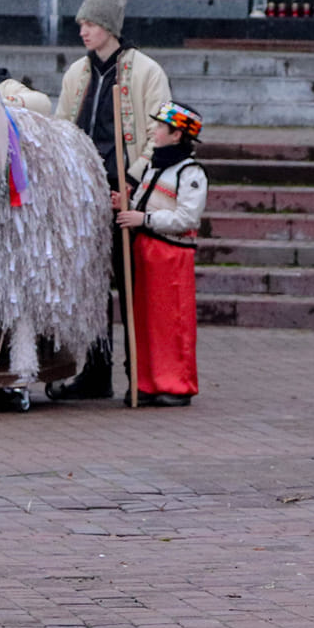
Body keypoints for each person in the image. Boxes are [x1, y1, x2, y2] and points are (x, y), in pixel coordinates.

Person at [51, 0, 172, 402]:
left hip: (127, 195)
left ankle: (138, 372)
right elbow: (61, 129)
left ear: (109, 26)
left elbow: (161, 134)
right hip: (86, 193)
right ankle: (96, 371)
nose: (83, 30)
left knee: (131, 285)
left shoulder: (146, 72)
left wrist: (133, 182)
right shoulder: (77, 74)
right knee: (92, 286)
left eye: (90, 23)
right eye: (82, 23)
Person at [115, 102, 208, 407]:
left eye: (159, 127)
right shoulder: (156, 166)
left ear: (177, 134)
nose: (154, 132)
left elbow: (187, 218)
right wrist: (125, 205)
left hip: (171, 255)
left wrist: (145, 220)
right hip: (146, 251)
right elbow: (144, 202)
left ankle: (176, 384)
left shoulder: (191, 173)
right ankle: (148, 382)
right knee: (146, 322)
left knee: (172, 322)